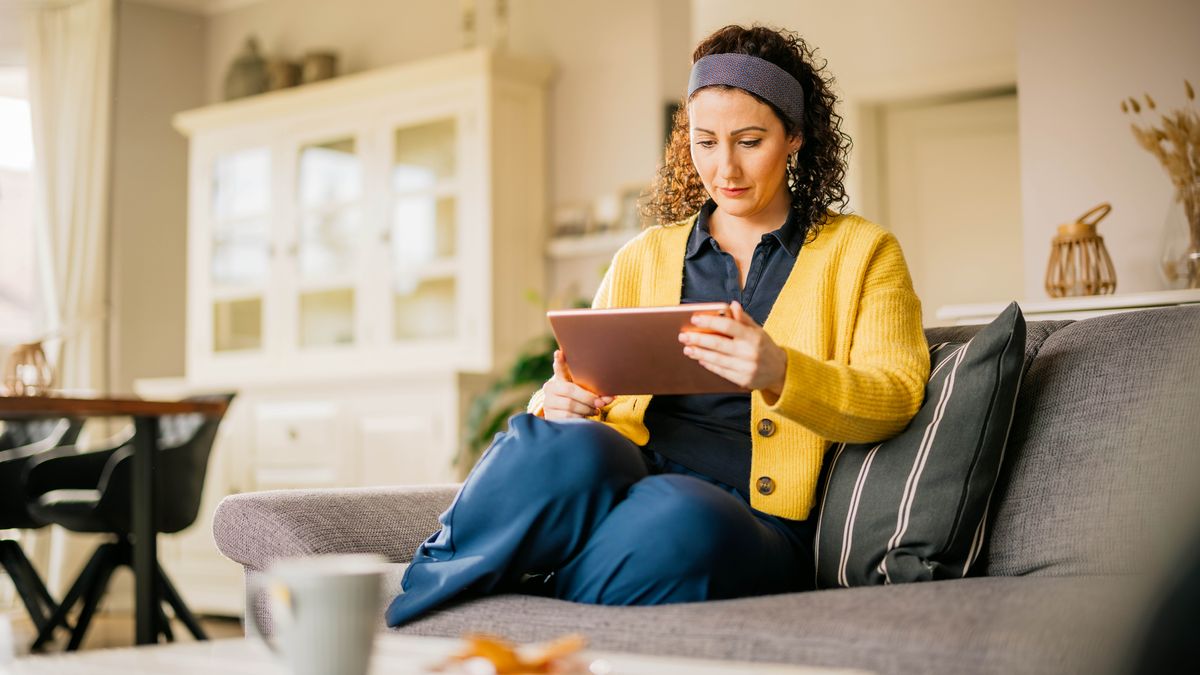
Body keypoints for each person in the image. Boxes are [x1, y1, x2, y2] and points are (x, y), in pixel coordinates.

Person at [385, 24, 930, 627]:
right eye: (705, 142)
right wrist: (559, 401)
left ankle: (541, 594)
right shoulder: (644, 255)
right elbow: (579, 381)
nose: (725, 167)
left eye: (750, 141)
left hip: (751, 520)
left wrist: (781, 372)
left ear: (794, 136)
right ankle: (417, 605)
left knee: (674, 516)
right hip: (629, 471)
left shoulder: (864, 253)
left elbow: (897, 396)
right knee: (551, 443)